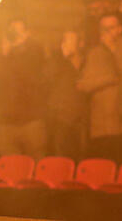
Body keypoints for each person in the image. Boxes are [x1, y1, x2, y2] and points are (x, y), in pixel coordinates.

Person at [77, 13, 122, 163]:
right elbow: (83, 85)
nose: (107, 33)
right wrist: (108, 79)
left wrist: (111, 49)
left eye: (111, 28)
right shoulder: (94, 53)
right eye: (104, 29)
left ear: (120, 29)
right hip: (98, 126)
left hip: (121, 124)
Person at [0, 18, 47, 159]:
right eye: (11, 31)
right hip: (7, 121)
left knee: (35, 165)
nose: (14, 35)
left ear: (27, 33)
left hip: (32, 120)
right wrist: (4, 55)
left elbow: (31, 76)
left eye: (17, 31)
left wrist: (15, 52)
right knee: (9, 168)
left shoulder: (36, 52)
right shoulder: (4, 55)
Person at [45, 29, 86, 159]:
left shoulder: (87, 62)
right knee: (60, 156)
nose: (69, 43)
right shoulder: (56, 61)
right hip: (61, 119)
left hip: (81, 119)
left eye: (72, 40)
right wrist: (63, 57)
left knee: (80, 156)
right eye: (66, 40)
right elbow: (47, 77)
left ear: (81, 43)